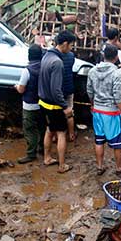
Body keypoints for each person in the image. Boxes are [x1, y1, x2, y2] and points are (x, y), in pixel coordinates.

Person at [39, 30, 76, 173]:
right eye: (71, 45)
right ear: (65, 44)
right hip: (54, 105)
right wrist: (65, 106)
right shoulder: (58, 62)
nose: (71, 49)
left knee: (49, 130)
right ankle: (62, 165)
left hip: (43, 101)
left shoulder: (46, 56)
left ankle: (47, 158)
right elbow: (56, 90)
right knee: (61, 133)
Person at [87, 44, 121, 175]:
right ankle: (119, 168)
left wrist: (93, 104)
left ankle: (99, 166)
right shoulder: (116, 73)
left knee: (99, 140)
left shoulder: (92, 71)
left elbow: (90, 91)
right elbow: (118, 96)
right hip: (111, 112)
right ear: (116, 57)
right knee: (118, 142)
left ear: (103, 56)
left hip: (97, 111)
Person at [15, 44, 46, 164]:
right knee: (42, 127)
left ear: (29, 55)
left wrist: (16, 87)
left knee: (30, 130)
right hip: (43, 103)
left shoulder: (27, 70)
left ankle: (31, 154)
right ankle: (42, 149)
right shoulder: (44, 68)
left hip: (30, 105)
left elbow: (21, 89)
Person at [60, 45, 76, 141]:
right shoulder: (71, 56)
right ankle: (71, 134)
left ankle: (53, 136)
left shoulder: (54, 56)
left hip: (57, 90)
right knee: (69, 112)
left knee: (55, 114)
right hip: (69, 87)